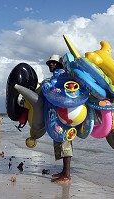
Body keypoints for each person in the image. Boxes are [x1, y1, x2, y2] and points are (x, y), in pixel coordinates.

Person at [46, 54, 73, 183]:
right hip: (57, 116)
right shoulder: (56, 77)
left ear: (60, 64)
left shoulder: (63, 76)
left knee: (65, 143)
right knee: (60, 141)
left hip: (64, 116)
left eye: (54, 63)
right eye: (50, 63)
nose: (51, 64)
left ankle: (67, 175)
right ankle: (63, 172)